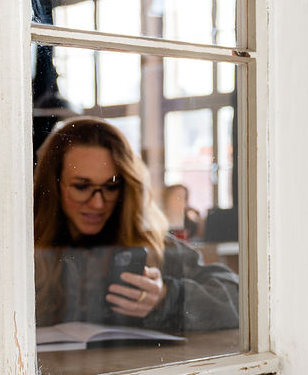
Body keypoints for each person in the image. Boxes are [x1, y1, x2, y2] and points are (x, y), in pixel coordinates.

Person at [33, 117, 238, 332]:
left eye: (111, 187)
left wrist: (166, 297)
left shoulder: (152, 246)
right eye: (81, 187)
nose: (97, 203)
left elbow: (238, 297)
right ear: (53, 187)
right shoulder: (23, 254)